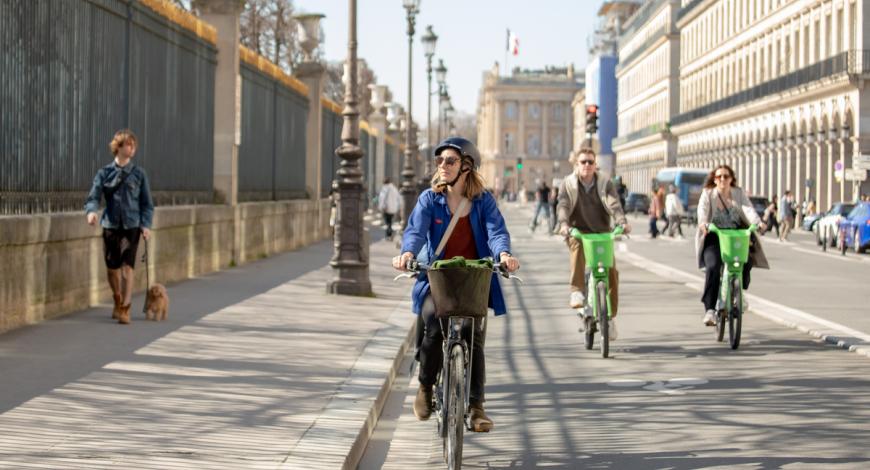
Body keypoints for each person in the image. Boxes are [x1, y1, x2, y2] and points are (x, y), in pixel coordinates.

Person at [392, 137, 520, 433]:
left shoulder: (483, 200)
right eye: (440, 161)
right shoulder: (430, 199)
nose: (442, 166)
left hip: (473, 277)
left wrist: (504, 255)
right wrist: (407, 253)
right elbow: (415, 230)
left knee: (474, 336)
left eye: (449, 161)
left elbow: (496, 230)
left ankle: (476, 407)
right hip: (438, 277)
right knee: (433, 325)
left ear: (466, 166)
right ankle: (425, 386)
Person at [556, 148, 630, 339]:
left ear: (595, 164)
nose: (587, 165)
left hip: (602, 233)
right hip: (577, 231)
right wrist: (564, 224)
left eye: (590, 162)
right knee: (577, 247)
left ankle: (611, 317)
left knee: (612, 271)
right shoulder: (568, 183)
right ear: (577, 165)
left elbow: (614, 204)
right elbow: (563, 205)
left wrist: (621, 222)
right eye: (583, 162)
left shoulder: (605, 183)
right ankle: (577, 291)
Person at [84, 129, 154, 325]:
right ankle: (117, 297)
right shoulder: (104, 173)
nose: (132, 148)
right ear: (118, 147)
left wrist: (146, 225)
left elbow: (147, 204)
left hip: (132, 226)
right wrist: (91, 212)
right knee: (112, 268)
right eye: (128, 144)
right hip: (110, 225)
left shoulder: (139, 174)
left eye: (133, 145)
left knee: (127, 268)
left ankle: (125, 307)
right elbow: (93, 197)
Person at [696, 164, 769, 326]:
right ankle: (710, 310)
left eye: (726, 176)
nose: (723, 179)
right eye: (719, 176)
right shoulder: (708, 194)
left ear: (731, 179)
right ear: (714, 180)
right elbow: (702, 210)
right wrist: (703, 223)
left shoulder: (738, 193)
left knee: (747, 261)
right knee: (713, 266)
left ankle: (739, 292)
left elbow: (748, 209)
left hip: (737, 235)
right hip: (714, 236)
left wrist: (758, 223)